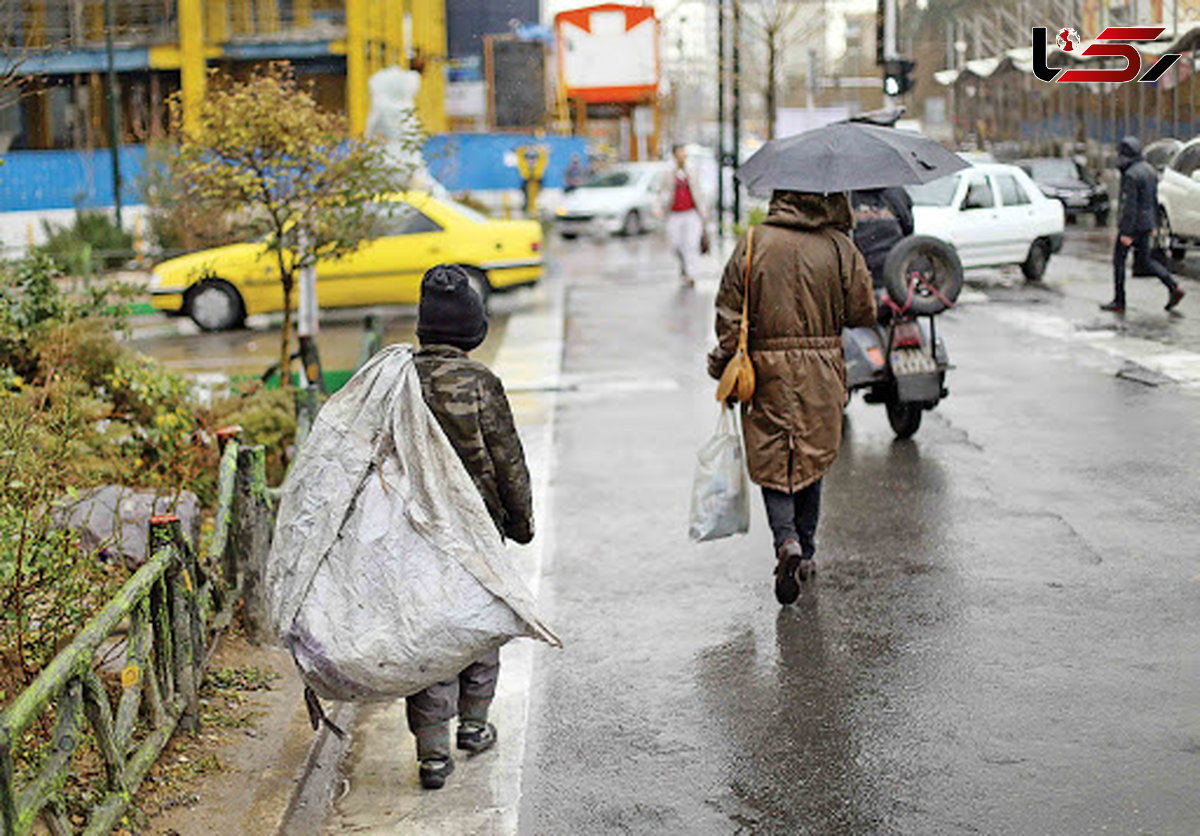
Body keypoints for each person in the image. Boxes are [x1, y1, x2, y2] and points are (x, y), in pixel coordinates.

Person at [707, 191, 876, 605]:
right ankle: (807, 549)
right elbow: (863, 311)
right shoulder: (839, 245)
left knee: (774, 457)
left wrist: (722, 361)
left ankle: (786, 541)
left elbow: (730, 311)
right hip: (822, 368)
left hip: (766, 370)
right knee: (811, 456)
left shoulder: (754, 242)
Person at [407, 264, 534, 790]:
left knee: (430, 634)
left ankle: (432, 751)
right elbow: (508, 459)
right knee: (479, 627)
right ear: (473, 330)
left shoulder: (401, 380)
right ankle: (475, 726)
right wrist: (521, 522)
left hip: (415, 533)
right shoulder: (481, 383)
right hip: (477, 532)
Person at [1104, 136, 1185, 314]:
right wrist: (1154, 224)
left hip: (1132, 226)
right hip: (1146, 224)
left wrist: (1125, 232)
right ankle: (1173, 286)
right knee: (1147, 261)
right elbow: (1153, 200)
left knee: (1119, 262)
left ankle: (1119, 301)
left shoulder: (1131, 175)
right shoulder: (1150, 171)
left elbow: (1129, 205)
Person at [850, 186, 913, 289]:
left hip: (886, 272)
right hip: (892, 272)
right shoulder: (896, 193)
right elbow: (908, 228)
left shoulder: (844, 196)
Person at [666, 143, 708, 286]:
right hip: (674, 214)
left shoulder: (693, 171)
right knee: (676, 244)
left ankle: (691, 274)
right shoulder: (668, 172)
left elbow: (700, 192)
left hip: (691, 213)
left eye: (683, 154)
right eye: (679, 154)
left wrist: (704, 213)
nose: (681, 157)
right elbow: (661, 192)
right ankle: (683, 265)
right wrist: (658, 207)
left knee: (691, 243)